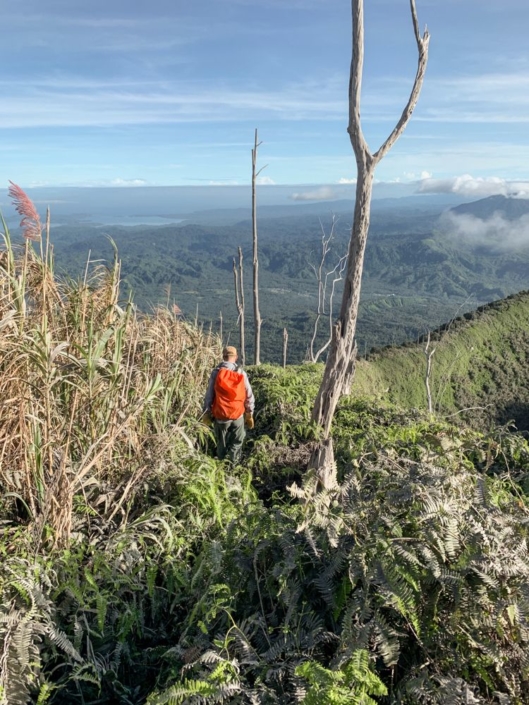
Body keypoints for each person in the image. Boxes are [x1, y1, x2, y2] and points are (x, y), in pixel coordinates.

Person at [203, 346, 255, 464]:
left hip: (220, 416)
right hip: (237, 415)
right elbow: (249, 395)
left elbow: (209, 395)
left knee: (221, 444)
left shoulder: (216, 373)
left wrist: (206, 412)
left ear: (223, 357)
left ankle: (221, 468)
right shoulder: (241, 372)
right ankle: (232, 467)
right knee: (236, 442)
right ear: (235, 357)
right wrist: (249, 413)